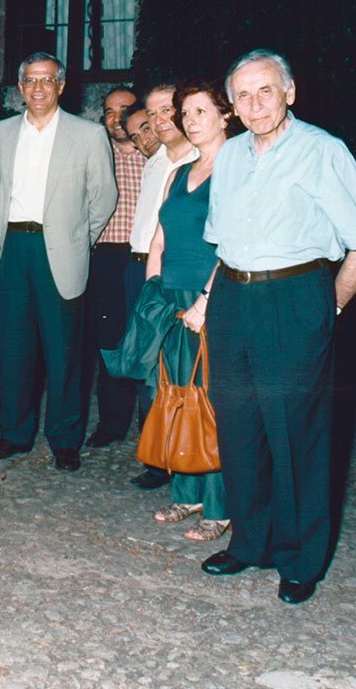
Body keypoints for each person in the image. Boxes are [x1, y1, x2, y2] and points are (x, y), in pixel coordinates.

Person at [200, 50, 356, 605]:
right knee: (239, 428)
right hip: (233, 297)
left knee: (296, 434)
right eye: (244, 95)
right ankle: (250, 541)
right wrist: (210, 300)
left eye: (266, 91)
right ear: (233, 106)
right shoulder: (230, 156)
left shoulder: (323, 151)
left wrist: (329, 308)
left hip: (295, 297)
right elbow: (223, 242)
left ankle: (301, 558)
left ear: (290, 93)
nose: (255, 104)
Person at [0, 52, 117, 470]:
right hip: (12, 249)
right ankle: (14, 433)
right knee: (13, 349)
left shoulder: (88, 135)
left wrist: (77, 239)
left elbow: (103, 197)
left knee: (64, 353)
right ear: (20, 88)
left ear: (61, 85)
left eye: (46, 80)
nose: (38, 88)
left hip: (59, 251)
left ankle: (64, 439)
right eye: (30, 80)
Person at [145, 79, 236, 541]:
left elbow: (235, 244)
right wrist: (153, 294)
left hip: (213, 297)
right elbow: (160, 237)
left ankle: (220, 506)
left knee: (211, 401)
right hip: (173, 297)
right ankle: (187, 493)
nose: (190, 120)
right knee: (178, 395)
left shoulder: (238, 169)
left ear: (226, 115)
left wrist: (206, 299)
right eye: (186, 113)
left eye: (201, 111)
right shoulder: (179, 173)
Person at [126, 83, 199, 490]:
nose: (158, 120)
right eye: (151, 113)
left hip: (177, 278)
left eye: (167, 110)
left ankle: (185, 458)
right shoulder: (154, 162)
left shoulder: (199, 160)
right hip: (142, 270)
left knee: (180, 371)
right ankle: (155, 457)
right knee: (147, 367)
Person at [83, 87, 147, 449]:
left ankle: (152, 426)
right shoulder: (96, 155)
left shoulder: (153, 154)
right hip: (106, 256)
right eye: (109, 111)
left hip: (146, 257)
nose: (116, 118)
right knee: (110, 341)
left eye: (124, 109)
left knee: (148, 338)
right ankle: (112, 422)